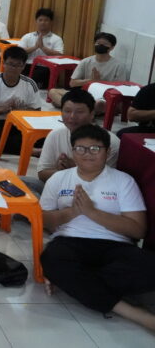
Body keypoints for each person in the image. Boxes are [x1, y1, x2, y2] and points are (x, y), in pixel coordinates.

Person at [40, 124, 155, 331]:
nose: (87, 154)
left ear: (107, 152)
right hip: (70, 242)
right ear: (73, 151)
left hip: (115, 245)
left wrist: (92, 212)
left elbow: (138, 230)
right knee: (52, 259)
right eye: (80, 149)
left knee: (149, 266)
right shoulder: (59, 178)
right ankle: (139, 315)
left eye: (95, 149)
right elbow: (42, 221)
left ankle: (74, 281)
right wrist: (72, 212)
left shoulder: (123, 181)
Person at [22, 89, 120, 196]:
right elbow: (42, 174)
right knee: (18, 182)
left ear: (92, 114)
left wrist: (74, 170)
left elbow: (102, 184)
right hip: (57, 188)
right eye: (67, 111)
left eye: (79, 112)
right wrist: (60, 170)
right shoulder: (55, 135)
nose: (72, 116)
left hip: (90, 197)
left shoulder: (109, 142)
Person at [0, 46, 42, 153]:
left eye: (18, 65)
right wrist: (2, 109)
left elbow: (37, 111)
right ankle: (29, 150)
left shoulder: (30, 84)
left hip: (19, 123)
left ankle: (24, 148)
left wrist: (16, 112)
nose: (13, 68)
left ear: (24, 66)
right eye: (10, 64)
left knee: (40, 136)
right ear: (3, 63)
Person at [49, 32, 125, 113]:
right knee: (52, 92)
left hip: (102, 97)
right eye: (98, 43)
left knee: (99, 105)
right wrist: (90, 81)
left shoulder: (119, 65)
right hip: (84, 95)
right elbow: (72, 83)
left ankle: (70, 107)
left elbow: (120, 88)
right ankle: (82, 110)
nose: (100, 45)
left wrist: (100, 83)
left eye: (105, 44)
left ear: (112, 47)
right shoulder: (86, 61)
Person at [19, 8, 64, 87]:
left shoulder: (57, 39)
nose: (43, 22)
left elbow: (59, 55)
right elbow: (19, 52)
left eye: (46, 20)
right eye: (40, 20)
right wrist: (35, 47)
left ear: (51, 22)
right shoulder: (27, 36)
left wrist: (43, 47)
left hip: (45, 68)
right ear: (36, 21)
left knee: (34, 79)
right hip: (27, 65)